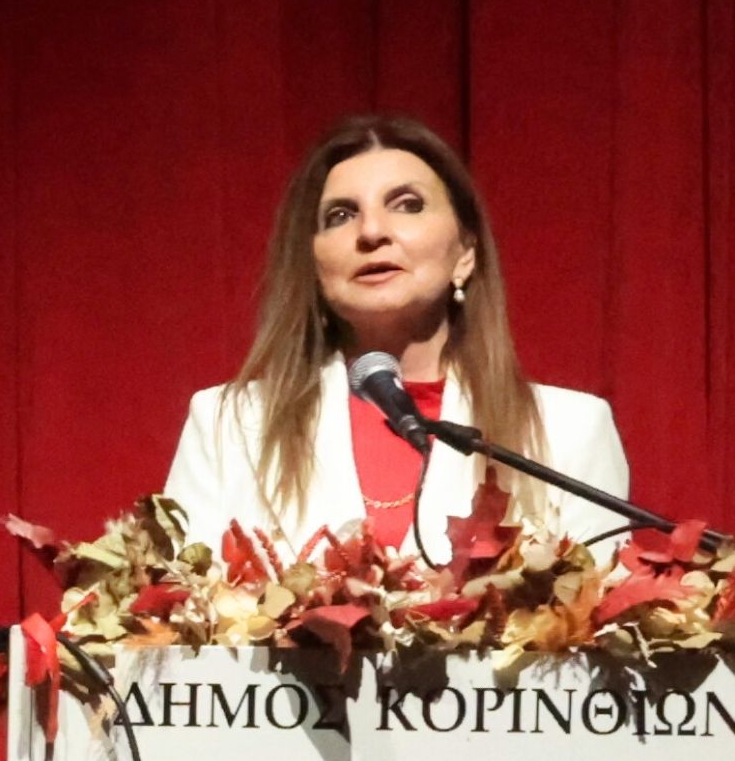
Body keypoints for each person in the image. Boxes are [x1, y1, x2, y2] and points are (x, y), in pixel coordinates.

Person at [163, 114, 630, 556]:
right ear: (314, 264)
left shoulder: (568, 433)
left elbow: (597, 612)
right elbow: (180, 611)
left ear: (465, 253)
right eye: (340, 215)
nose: (371, 232)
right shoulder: (228, 427)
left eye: (408, 205)